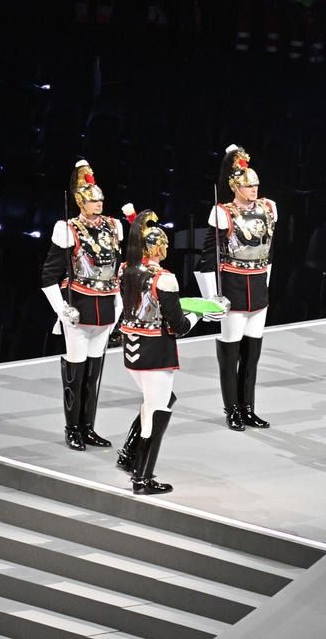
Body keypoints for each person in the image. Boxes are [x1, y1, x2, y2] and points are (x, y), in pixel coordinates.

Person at [117, 210, 203, 494]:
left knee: (154, 403)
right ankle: (142, 479)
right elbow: (179, 326)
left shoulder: (125, 269)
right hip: (155, 350)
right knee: (157, 411)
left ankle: (131, 457)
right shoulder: (165, 279)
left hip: (131, 348)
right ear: (157, 248)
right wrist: (200, 315)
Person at [40, 160, 122, 450]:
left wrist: (119, 308)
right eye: (92, 200)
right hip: (80, 306)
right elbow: (48, 276)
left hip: (106, 307)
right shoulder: (67, 229)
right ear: (79, 201)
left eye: (100, 200)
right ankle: (72, 428)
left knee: (94, 372)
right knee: (76, 370)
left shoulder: (114, 226)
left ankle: (88, 426)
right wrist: (61, 309)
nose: (98, 204)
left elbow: (117, 270)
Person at [196, 145, 277, 431]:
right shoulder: (223, 213)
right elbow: (206, 260)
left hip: (258, 286)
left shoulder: (269, 208)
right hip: (233, 287)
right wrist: (211, 300)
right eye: (248, 185)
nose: (254, 189)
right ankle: (232, 409)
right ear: (235, 186)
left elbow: (268, 251)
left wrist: (265, 283)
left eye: (256, 185)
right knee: (231, 355)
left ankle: (248, 408)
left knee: (252, 355)